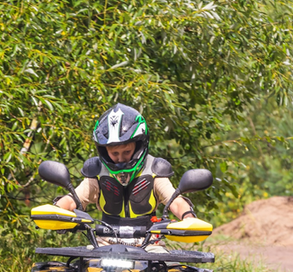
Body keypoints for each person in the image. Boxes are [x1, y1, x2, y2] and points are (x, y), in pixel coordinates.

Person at [55, 103, 195, 250]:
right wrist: (56, 210)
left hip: (148, 244)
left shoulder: (154, 169)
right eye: (114, 153)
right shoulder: (97, 171)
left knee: (171, 271)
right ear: (103, 150)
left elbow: (175, 201)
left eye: (126, 152)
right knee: (77, 270)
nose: (120, 158)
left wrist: (188, 217)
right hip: (104, 243)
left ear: (139, 146)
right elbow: (74, 199)